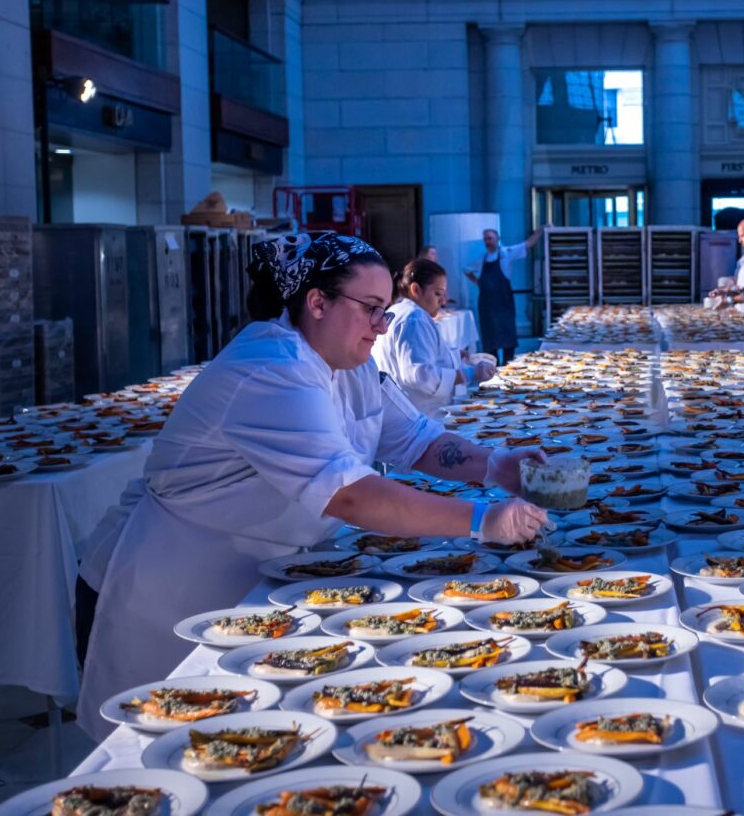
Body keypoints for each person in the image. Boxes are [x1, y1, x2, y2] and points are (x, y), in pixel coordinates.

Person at [76, 233, 549, 738]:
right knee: (172, 743)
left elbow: (415, 438)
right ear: (317, 302)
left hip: (255, 576)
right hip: (169, 585)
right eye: (370, 308)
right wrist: (482, 520)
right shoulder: (271, 367)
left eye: (385, 311)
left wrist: (496, 465)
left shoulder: (353, 364)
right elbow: (350, 495)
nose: (380, 326)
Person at [374, 258, 496, 417]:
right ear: (416, 290)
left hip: (411, 416)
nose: (443, 301)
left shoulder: (400, 311)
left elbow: (417, 357)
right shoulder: (414, 318)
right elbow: (419, 374)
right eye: (438, 293)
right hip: (421, 419)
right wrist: (469, 374)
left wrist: (454, 355)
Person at [466, 227, 542, 365]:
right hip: (487, 306)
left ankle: (508, 368)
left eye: (490, 238)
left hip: (503, 303)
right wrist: (478, 282)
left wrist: (542, 230)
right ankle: (492, 371)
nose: (487, 241)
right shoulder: (481, 260)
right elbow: (466, 270)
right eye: (485, 239)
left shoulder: (507, 254)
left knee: (507, 337)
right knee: (490, 340)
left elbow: (528, 244)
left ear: (497, 239)